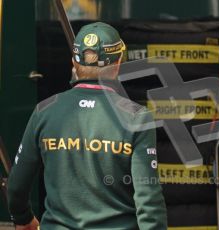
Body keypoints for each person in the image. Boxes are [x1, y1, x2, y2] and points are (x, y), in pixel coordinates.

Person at [7, 22, 167, 230]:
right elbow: (149, 200)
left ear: (73, 62)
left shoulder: (44, 111)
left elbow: (16, 187)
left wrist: (23, 218)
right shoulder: (137, 117)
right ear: (119, 62)